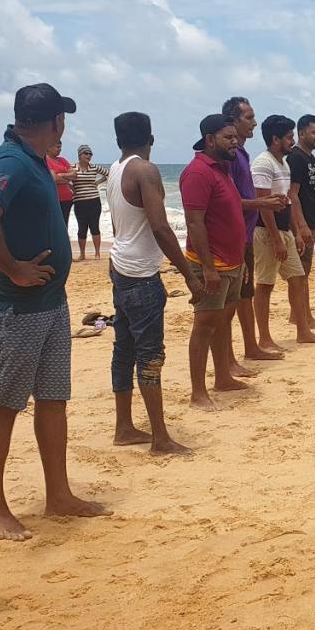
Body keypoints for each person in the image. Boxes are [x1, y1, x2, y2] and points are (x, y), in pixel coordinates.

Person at [0, 83, 108, 541]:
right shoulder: (10, 161)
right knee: (5, 404)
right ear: (55, 122)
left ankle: (58, 495)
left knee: (52, 399)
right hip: (16, 308)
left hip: (48, 304)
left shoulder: (36, 161)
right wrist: (13, 269)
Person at [107, 112, 200, 451]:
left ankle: (124, 426)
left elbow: (123, 225)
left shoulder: (116, 169)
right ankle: (160, 437)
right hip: (141, 274)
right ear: (152, 137)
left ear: (119, 140)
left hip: (120, 265)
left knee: (124, 349)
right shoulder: (145, 170)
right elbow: (160, 227)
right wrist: (188, 274)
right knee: (149, 354)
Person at [181, 114, 256, 410]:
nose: (234, 142)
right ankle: (197, 392)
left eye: (235, 137)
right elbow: (194, 223)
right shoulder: (198, 172)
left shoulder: (222, 169)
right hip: (212, 264)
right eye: (228, 137)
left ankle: (223, 376)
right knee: (205, 325)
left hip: (232, 262)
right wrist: (208, 269)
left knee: (223, 321)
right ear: (209, 140)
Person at [250, 114, 315, 348]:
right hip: (266, 231)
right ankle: (264, 338)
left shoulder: (282, 162)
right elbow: (263, 205)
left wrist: (295, 232)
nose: (292, 141)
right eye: (288, 137)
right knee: (265, 285)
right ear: (275, 139)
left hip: (284, 230)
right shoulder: (263, 163)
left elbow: (289, 201)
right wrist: (276, 240)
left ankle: (303, 330)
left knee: (297, 277)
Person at [221, 96, 285, 367]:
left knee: (245, 293)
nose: (254, 122)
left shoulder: (243, 153)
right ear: (233, 121)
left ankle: (251, 346)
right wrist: (261, 203)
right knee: (229, 302)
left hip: (245, 235)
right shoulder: (230, 156)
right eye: (248, 117)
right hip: (233, 238)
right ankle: (230, 360)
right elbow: (227, 199)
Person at [287, 114, 315, 331]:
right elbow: (293, 195)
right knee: (300, 273)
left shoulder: (310, 158)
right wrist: (301, 226)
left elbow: (314, 193)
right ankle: (305, 317)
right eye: (314, 132)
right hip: (302, 225)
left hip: (312, 222)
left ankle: (298, 315)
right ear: (301, 133)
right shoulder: (296, 158)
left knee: (304, 270)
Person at [71, 144, 108, 261]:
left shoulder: (94, 167)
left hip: (94, 201)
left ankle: (97, 254)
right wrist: (71, 188)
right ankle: (82, 254)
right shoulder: (72, 168)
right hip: (79, 202)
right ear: (79, 155)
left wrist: (97, 183)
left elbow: (108, 174)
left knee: (94, 227)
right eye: (86, 153)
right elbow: (65, 178)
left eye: (90, 154)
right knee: (82, 228)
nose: (88, 156)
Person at [45, 140, 77, 229]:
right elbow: (54, 179)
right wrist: (67, 179)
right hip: (54, 199)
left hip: (67, 198)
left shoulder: (62, 160)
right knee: (54, 226)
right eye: (57, 147)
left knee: (64, 226)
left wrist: (61, 175)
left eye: (60, 147)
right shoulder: (46, 160)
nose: (60, 149)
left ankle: (64, 243)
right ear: (49, 147)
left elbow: (74, 175)